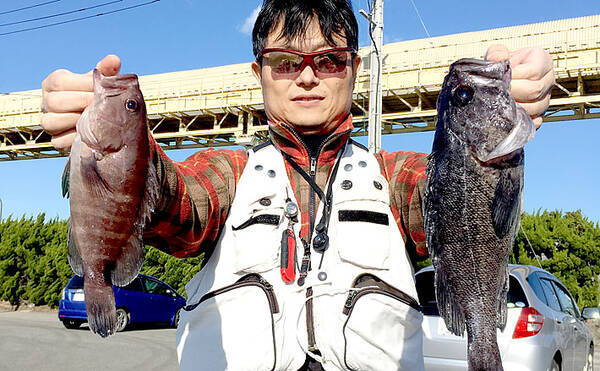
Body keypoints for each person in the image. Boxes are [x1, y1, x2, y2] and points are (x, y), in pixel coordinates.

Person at [41, 1, 555, 370]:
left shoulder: (395, 176)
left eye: (328, 59)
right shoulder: (228, 172)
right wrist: (120, 148)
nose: (306, 77)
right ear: (258, 72)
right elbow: (179, 204)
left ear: (354, 68)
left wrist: (503, 115)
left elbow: (448, 199)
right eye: (285, 62)